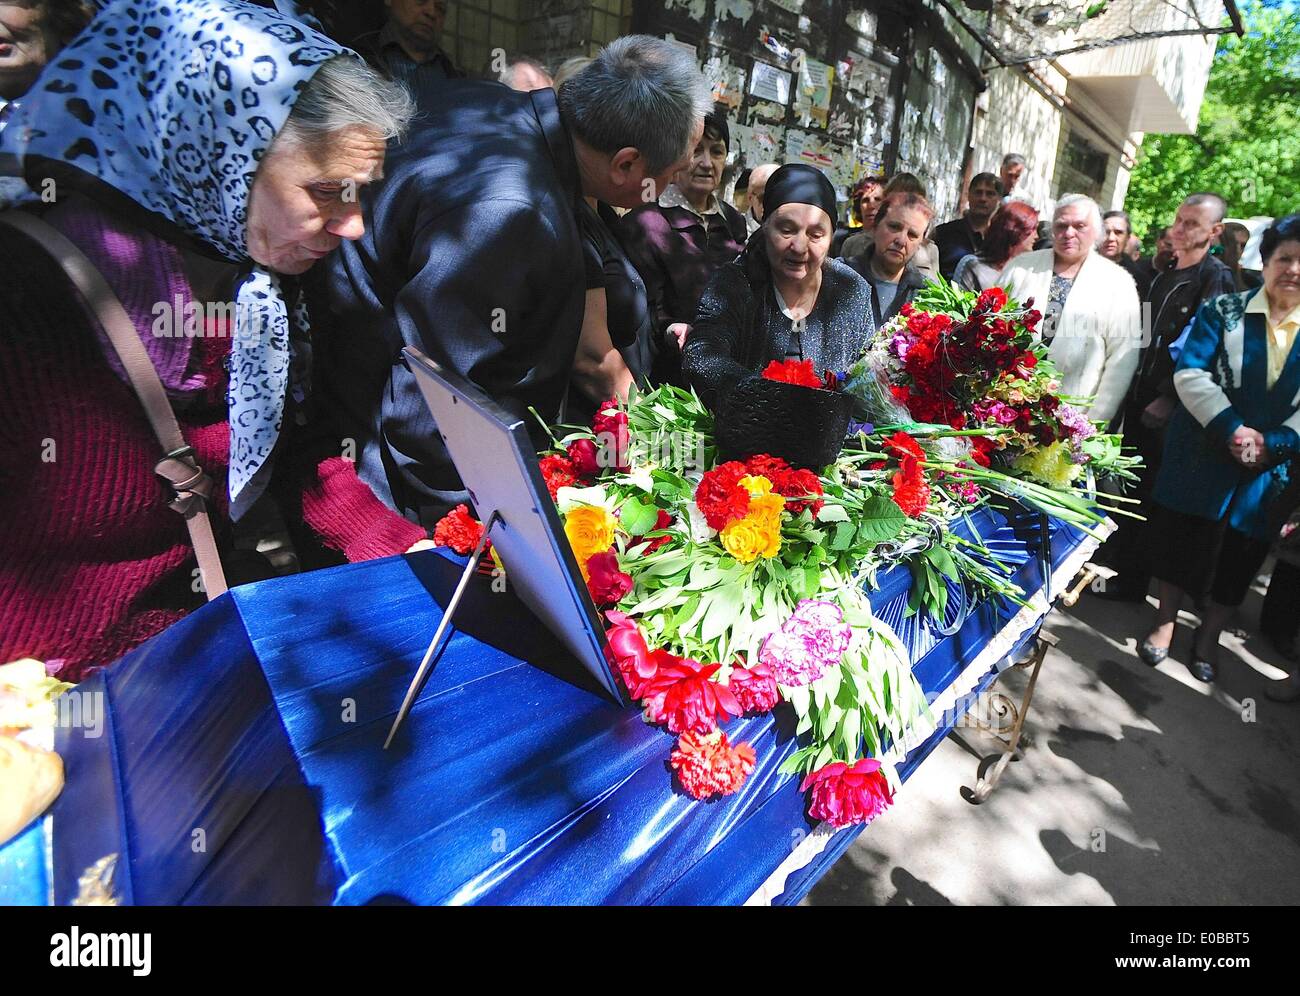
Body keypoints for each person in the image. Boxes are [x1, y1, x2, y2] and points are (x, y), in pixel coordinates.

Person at [0, 0, 423, 681]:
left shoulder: (259, 282)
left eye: (360, 193)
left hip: (190, 673)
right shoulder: (23, 290)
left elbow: (297, 454)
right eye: (326, 192)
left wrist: (412, 553)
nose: (352, 227)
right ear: (214, 151)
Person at [314, 36, 709, 529]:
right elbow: (436, 405)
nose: (666, 191)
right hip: (378, 477)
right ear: (626, 163)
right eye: (670, 174)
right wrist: (490, 533)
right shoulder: (511, 210)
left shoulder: (492, 108)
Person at [1139, 214, 1300, 683]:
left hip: (1267, 467)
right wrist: (1232, 429)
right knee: (1180, 538)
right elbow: (1190, 373)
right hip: (1204, 448)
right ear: (1265, 262)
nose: (1292, 269)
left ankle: (1208, 638)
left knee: (1241, 554)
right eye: (1284, 258)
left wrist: (1275, 442)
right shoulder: (1224, 311)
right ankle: (1165, 623)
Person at [1095, 194, 1239, 601]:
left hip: (1171, 408)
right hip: (1138, 396)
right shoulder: (1167, 271)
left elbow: (1208, 348)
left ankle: (1131, 582)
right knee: (1126, 487)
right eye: (1178, 220)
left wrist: (1170, 397)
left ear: (1215, 232)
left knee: (1149, 498)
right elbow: (1144, 332)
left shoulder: (1216, 279)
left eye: (1192, 223)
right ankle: (1112, 570)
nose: (1179, 229)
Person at [683, 163, 872, 410]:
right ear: (765, 225)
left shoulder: (851, 291)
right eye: (786, 230)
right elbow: (701, 356)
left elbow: (868, 376)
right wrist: (766, 396)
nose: (800, 246)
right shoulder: (735, 283)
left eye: (816, 235)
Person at [617, 107, 747, 386]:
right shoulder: (646, 221)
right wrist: (670, 328)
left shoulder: (734, 222)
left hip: (726, 369)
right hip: (665, 377)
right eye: (697, 150)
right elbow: (642, 310)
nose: (706, 163)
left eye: (717, 152)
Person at [996, 194, 1140, 426]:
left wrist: (1091, 422)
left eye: (1079, 226)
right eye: (1061, 225)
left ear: (1096, 232)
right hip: (1008, 407)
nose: (1069, 233)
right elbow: (992, 326)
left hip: (1074, 415)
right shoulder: (1020, 268)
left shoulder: (1118, 283)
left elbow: (1123, 359)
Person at [844, 191, 933, 328]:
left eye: (912, 234)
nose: (901, 241)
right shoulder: (840, 275)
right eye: (894, 227)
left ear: (921, 243)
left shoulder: (927, 294)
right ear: (875, 227)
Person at [353, 0, 463, 108]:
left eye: (440, 8)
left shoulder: (454, 76)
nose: (431, 12)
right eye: (421, 1)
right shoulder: (355, 59)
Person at [840, 173, 937, 277]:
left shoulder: (930, 250)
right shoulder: (853, 244)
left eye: (913, 202)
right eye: (894, 227)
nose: (901, 241)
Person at [952, 200, 1038, 293]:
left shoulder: (1029, 272)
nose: (1036, 236)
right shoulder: (974, 266)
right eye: (1032, 230)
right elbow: (957, 304)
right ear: (1014, 231)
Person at [933, 171, 1003, 279]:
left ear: (999, 199)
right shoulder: (943, 233)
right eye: (978, 192)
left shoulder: (1001, 240)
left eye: (990, 194)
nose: (983, 199)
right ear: (968, 195)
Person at [1100, 209, 1152, 297]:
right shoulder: (1080, 267)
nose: (1111, 238)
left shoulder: (1140, 279)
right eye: (1106, 232)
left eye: (1118, 233)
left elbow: (1147, 309)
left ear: (1127, 238)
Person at [741, 161, 778, 237]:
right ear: (750, 198)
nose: (771, 204)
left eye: (777, 197)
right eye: (764, 198)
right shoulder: (737, 231)